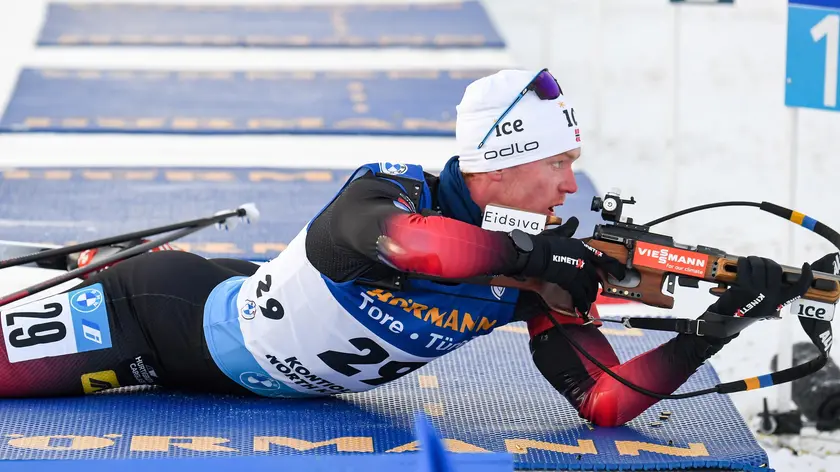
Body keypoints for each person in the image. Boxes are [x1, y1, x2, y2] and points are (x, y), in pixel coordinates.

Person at [0, 69, 830, 428]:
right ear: (500, 164)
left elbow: (607, 402)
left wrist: (716, 327)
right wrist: (536, 263)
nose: (571, 186)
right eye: (557, 163)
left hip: (251, 339)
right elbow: (413, 249)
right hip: (157, 317)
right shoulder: (392, 193)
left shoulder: (538, 269)